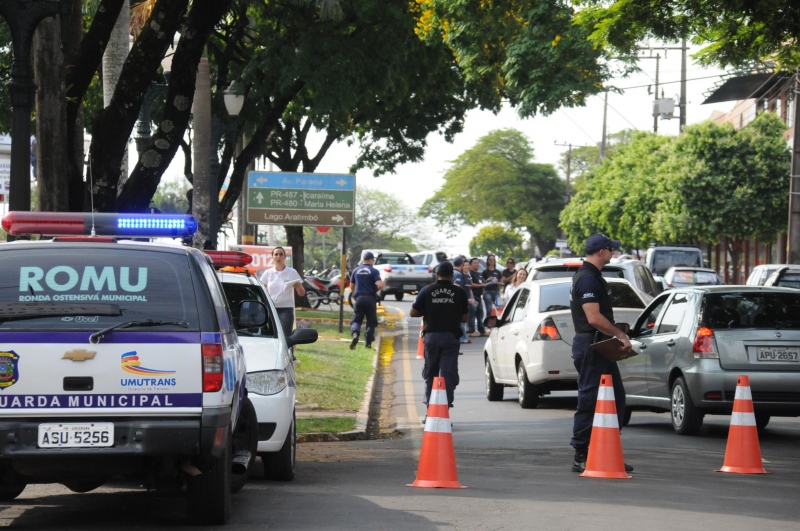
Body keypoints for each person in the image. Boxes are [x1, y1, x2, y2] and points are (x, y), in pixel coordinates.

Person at [569, 233, 633, 474]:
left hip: (600, 346)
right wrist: (620, 335)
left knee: (616, 398)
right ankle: (581, 453)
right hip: (591, 345)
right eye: (610, 249)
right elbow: (593, 318)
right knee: (590, 399)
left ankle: (607, 450)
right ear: (600, 252)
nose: (613, 253)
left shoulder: (593, 276)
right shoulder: (587, 279)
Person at [410, 261, 468, 418]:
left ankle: (430, 409)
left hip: (431, 338)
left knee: (431, 373)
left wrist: (428, 309)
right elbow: (464, 318)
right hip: (451, 338)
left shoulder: (427, 290)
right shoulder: (460, 292)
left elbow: (413, 313)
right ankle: (445, 408)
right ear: (451, 275)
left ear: (437, 274)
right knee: (448, 374)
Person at [260, 246, 305, 340]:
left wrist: (299, 287)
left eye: (281, 254)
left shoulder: (292, 272)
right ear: (272, 257)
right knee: (268, 335)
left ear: (285, 257)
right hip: (270, 308)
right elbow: (261, 291)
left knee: (284, 336)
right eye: (276, 254)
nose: (278, 257)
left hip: (286, 309)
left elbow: (302, 293)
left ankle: (286, 353)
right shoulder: (268, 273)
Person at [349, 251, 384, 349]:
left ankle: (355, 334)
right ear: (370, 260)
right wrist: (375, 289)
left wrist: (354, 295)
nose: (373, 262)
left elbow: (352, 285)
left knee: (357, 319)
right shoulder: (374, 271)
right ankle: (368, 343)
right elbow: (380, 285)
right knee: (371, 321)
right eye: (373, 260)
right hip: (370, 299)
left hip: (359, 298)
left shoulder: (355, 270)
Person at [452, 256, 476, 344]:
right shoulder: (458, 274)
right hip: (457, 301)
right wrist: (465, 300)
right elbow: (456, 288)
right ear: (462, 265)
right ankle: (462, 338)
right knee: (461, 320)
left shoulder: (451, 273)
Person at [468, 258, 488, 337]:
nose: (477, 264)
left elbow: (482, 282)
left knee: (480, 314)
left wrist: (486, 282)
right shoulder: (470, 273)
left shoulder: (479, 274)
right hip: (473, 296)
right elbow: (471, 284)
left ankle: (481, 330)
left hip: (479, 296)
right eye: (475, 263)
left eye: (478, 263)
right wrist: (482, 285)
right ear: (470, 264)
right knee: (472, 315)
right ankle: (471, 331)